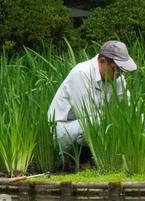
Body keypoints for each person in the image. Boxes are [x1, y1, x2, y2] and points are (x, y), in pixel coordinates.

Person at [47, 40, 138, 168]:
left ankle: (92, 161)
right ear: (102, 61)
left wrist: (143, 129)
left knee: (128, 121)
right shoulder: (82, 73)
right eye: (114, 69)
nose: (118, 74)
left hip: (89, 128)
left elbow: (128, 109)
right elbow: (88, 118)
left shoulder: (117, 79)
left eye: (120, 71)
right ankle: (82, 162)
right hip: (63, 129)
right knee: (95, 122)